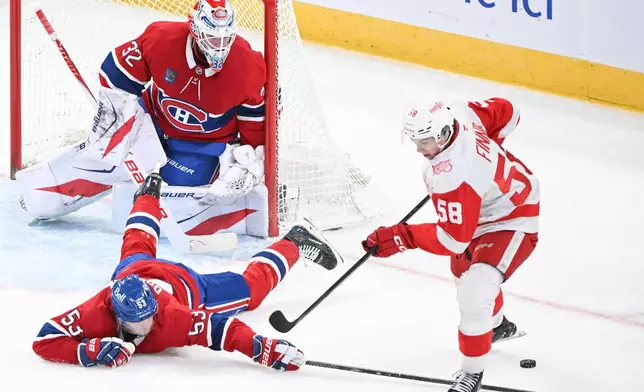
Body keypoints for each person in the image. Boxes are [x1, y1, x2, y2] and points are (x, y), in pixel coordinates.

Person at [33, 171, 340, 370]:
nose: (147, 327)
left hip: (185, 286)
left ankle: (296, 241)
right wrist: (90, 351)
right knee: (136, 245)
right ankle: (148, 196)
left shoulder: (172, 317)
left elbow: (223, 329)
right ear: (116, 314)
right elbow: (44, 339)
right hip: (135, 271)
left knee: (251, 290)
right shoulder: (96, 311)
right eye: (138, 323)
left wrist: (262, 348)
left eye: (149, 318)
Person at [17, 0, 271, 237]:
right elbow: (115, 72)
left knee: (181, 206)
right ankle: (43, 193)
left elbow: (254, 127)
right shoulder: (163, 39)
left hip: (201, 147)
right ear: (194, 30)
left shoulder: (248, 65)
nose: (219, 46)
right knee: (104, 158)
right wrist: (116, 119)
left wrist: (248, 163)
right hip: (150, 124)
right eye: (212, 37)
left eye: (226, 38)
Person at [362, 98, 540, 392]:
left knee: (475, 291)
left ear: (445, 133)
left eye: (426, 142)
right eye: (416, 141)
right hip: (483, 207)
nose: (420, 150)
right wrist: (488, 155)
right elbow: (510, 111)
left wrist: (402, 236)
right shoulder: (461, 112)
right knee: (462, 270)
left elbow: (453, 239)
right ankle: (495, 326)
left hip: (513, 216)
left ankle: (472, 374)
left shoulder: (453, 173)